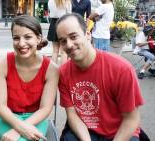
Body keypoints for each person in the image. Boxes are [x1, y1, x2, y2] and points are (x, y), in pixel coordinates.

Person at [56, 13, 144, 141]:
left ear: (87, 34)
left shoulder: (121, 69)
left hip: (120, 132)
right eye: (63, 41)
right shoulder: (63, 72)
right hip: (86, 131)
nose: (69, 45)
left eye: (73, 36)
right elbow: (72, 115)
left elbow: (131, 119)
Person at [0, 15, 59, 141]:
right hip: (6, 117)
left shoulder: (51, 69)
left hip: (37, 118)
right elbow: (0, 105)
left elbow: (45, 108)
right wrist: (21, 128)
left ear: (39, 38)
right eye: (16, 38)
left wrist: (20, 129)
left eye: (28, 37)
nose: (21, 43)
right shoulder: (1, 65)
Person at [47, 0, 72, 64]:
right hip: (63, 23)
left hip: (53, 23)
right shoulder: (66, 1)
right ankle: (63, 71)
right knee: (63, 52)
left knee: (55, 51)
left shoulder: (50, 1)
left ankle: (53, 70)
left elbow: (50, 11)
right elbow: (69, 15)